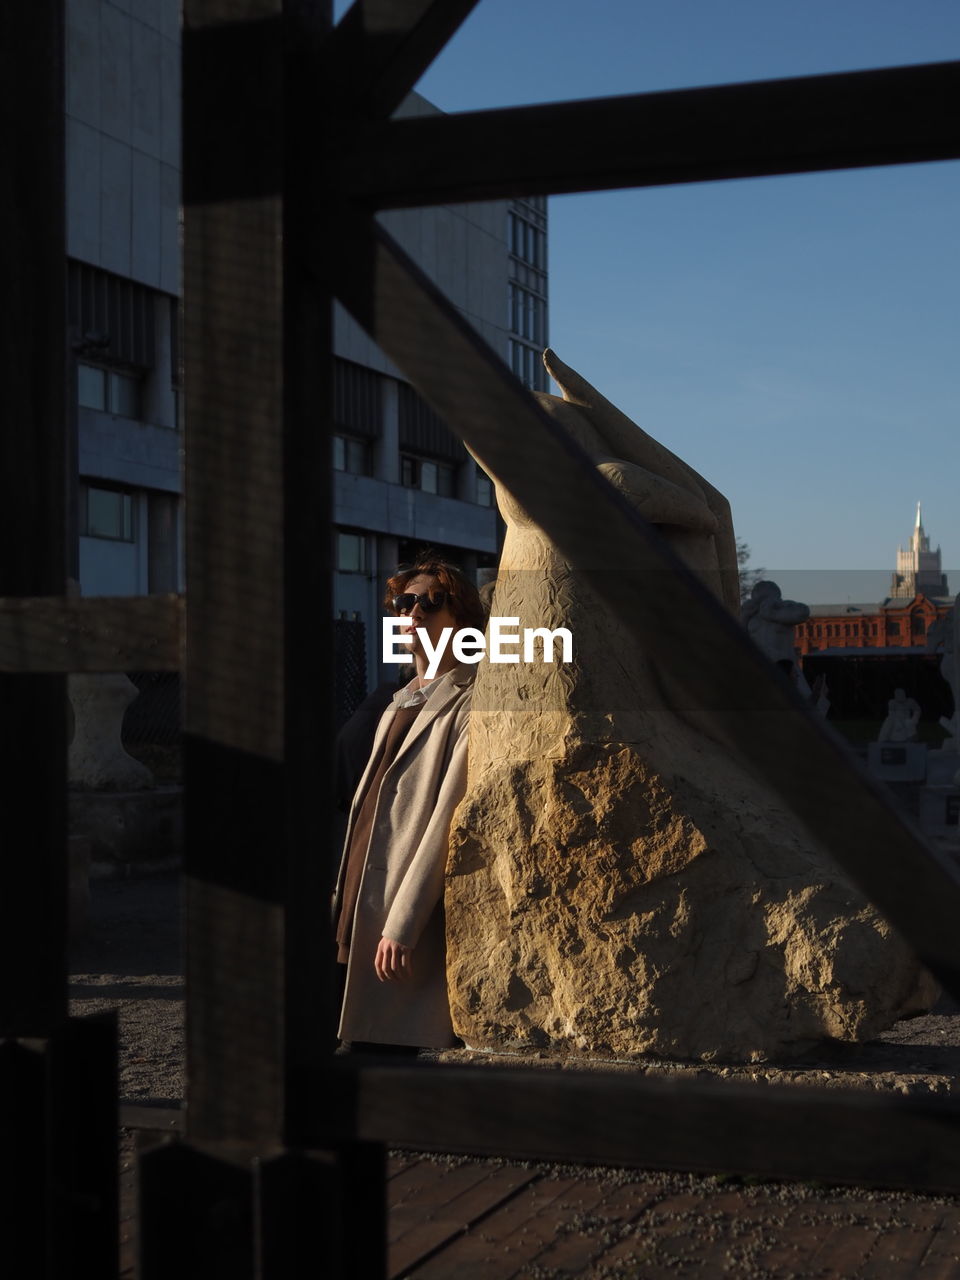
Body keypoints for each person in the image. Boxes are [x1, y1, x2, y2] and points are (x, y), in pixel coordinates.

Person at [332, 557, 485, 1055]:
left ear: (460, 620)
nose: (413, 612)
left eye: (430, 602)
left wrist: (403, 924)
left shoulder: (471, 698)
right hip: (359, 892)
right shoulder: (399, 697)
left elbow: (448, 819)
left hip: (399, 903)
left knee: (380, 1050)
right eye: (404, 601)